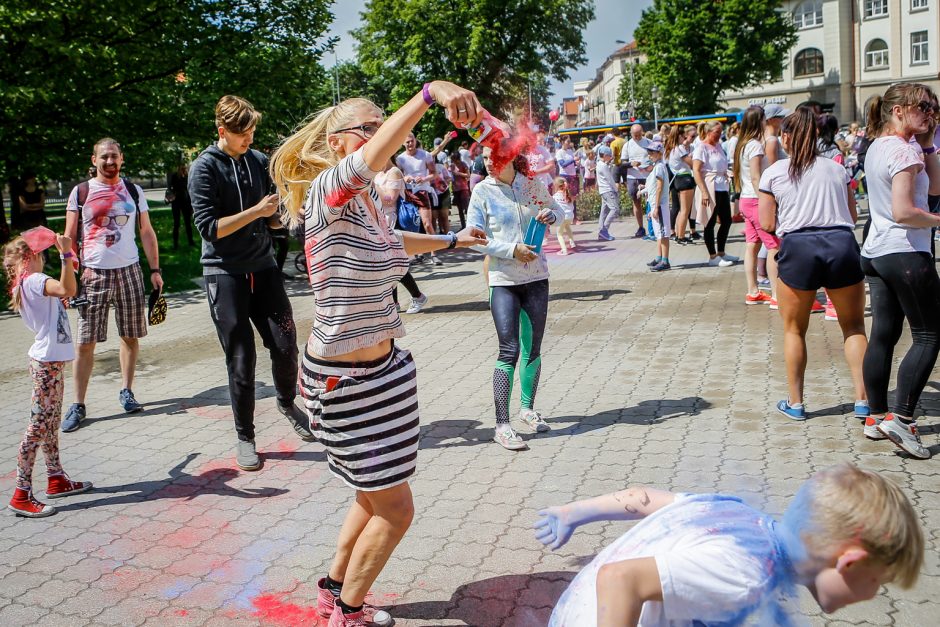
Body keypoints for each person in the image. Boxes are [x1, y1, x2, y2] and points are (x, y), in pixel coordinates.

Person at [269, 82, 487, 627]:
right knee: (397, 508)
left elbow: (395, 244)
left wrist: (454, 241)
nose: (382, 132)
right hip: (345, 380)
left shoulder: (363, 204)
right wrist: (430, 94)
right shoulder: (330, 189)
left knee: (372, 496)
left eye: (380, 124)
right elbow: (381, 151)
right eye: (369, 127)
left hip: (383, 371)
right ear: (340, 144)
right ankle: (348, 613)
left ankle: (334, 589)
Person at [538, 462, 923, 626]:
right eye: (879, 582)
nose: (874, 596)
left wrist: (575, 512)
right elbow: (619, 579)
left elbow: (645, 498)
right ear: (850, 562)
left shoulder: (739, 513)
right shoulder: (748, 573)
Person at [188, 95, 312, 472]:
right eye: (243, 134)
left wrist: (283, 216)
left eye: (253, 132)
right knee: (242, 359)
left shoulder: (259, 162)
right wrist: (257, 211)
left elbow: (270, 221)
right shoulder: (204, 168)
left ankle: (287, 401)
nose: (250, 140)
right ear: (222, 131)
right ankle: (246, 436)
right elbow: (211, 229)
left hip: (264, 268)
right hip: (225, 274)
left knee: (287, 343)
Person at [758, 108, 868, 424]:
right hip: (841, 244)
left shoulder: (775, 172)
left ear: (788, 138)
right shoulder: (836, 170)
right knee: (854, 326)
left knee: (795, 329)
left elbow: (766, 223)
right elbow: (852, 214)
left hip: (799, 247)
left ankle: (796, 403)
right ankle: (863, 400)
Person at [859, 83, 940, 459]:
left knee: (885, 334)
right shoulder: (902, 150)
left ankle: (876, 417)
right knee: (929, 334)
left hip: (877, 251)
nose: (930, 114)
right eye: (923, 107)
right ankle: (903, 419)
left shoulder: (880, 145)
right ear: (898, 110)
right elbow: (905, 211)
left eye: (934, 109)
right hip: (904, 250)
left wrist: (927, 144)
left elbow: (935, 185)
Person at [61, 138, 163, 432]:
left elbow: (146, 231)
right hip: (93, 273)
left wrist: (154, 269)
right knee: (85, 343)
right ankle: (78, 404)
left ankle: (127, 391)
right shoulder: (81, 192)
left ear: (122, 159)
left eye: (114, 157)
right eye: (104, 157)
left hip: (130, 271)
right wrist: (69, 279)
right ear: (93, 160)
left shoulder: (134, 190)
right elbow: (69, 238)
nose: (109, 162)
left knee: (130, 336)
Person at [468, 143, 563, 451]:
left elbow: (560, 211)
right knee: (508, 350)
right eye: (483, 158)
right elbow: (473, 238)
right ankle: (502, 425)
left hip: (536, 278)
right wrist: (511, 250)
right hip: (503, 280)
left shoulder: (531, 184)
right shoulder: (482, 191)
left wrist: (553, 216)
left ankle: (527, 410)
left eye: (493, 157)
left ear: (509, 157)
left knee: (532, 348)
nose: (488, 163)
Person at [4, 230, 93, 517]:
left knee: (51, 423)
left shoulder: (25, 284)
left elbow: (66, 291)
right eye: (42, 256)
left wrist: (70, 263)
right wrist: (66, 254)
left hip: (50, 362)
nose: (45, 261)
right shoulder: (35, 281)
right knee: (38, 428)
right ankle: (21, 493)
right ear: (32, 257)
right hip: (46, 365)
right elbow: (68, 289)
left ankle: (56, 478)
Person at [734, 107, 777, 305]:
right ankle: (777, 295)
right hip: (755, 200)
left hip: (746, 199)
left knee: (752, 245)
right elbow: (755, 175)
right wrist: (765, 199)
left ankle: (753, 291)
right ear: (759, 121)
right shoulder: (755, 146)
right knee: (773, 246)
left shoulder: (742, 144)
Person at [374, 165, 429, 314]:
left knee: (394, 264)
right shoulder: (377, 172)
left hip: (392, 221)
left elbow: (390, 199)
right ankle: (394, 303)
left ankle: (418, 296)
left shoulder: (394, 172)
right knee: (390, 264)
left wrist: (372, 186)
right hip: (380, 221)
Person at [692, 122, 738, 267]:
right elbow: (696, 171)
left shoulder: (718, 146)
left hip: (722, 186)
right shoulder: (701, 148)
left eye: (720, 132)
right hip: (710, 187)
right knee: (709, 223)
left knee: (726, 220)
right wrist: (704, 192)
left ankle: (721, 252)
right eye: (716, 132)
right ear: (708, 132)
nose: (719, 135)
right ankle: (713, 256)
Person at [665, 125, 697, 244]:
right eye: (683, 136)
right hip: (685, 179)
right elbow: (691, 163)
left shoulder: (671, 148)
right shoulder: (680, 149)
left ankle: (679, 234)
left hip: (677, 179)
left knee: (680, 210)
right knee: (685, 210)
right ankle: (681, 236)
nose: (685, 138)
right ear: (679, 136)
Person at [644, 141, 671, 272]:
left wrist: (655, 207)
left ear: (659, 153)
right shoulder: (657, 166)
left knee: (663, 233)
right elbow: (654, 186)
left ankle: (665, 260)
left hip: (659, 205)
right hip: (657, 204)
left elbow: (659, 187)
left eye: (652, 153)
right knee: (659, 233)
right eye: (649, 152)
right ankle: (659, 257)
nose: (649, 155)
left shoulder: (659, 167)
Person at [623, 124, 652, 237]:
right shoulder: (627, 145)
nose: (637, 137)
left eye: (639, 135)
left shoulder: (649, 142)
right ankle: (640, 227)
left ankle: (653, 226)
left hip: (647, 176)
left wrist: (651, 166)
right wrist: (631, 164)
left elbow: (656, 157)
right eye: (635, 135)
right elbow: (622, 163)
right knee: (636, 202)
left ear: (642, 132)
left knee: (651, 200)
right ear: (631, 134)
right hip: (633, 176)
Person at [167, 164, 195, 249]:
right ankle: (175, 244)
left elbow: (190, 189)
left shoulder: (187, 176)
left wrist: (191, 205)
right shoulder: (175, 176)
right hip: (176, 202)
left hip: (186, 202)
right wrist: (171, 195)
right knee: (176, 223)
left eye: (185, 167)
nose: (184, 169)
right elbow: (170, 187)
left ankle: (190, 241)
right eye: (182, 167)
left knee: (188, 223)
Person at [595, 145, 619, 241]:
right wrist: (616, 189)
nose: (610, 157)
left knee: (604, 211)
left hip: (603, 190)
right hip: (608, 190)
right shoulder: (603, 166)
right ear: (604, 155)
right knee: (615, 209)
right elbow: (609, 179)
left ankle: (601, 230)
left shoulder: (599, 164)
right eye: (609, 155)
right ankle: (604, 230)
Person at [552, 176, 576, 255]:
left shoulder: (555, 196)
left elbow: (552, 206)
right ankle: (572, 242)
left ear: (556, 186)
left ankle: (564, 250)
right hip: (570, 216)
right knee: (567, 227)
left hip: (561, 217)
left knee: (559, 234)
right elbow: (572, 205)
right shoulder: (568, 195)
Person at [449, 151, 471, 229]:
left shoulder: (463, 164)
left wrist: (459, 174)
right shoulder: (452, 165)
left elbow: (468, 175)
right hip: (455, 189)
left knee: (466, 207)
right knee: (459, 209)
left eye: (455, 160)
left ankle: (470, 224)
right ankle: (463, 225)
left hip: (463, 188)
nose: (455, 161)